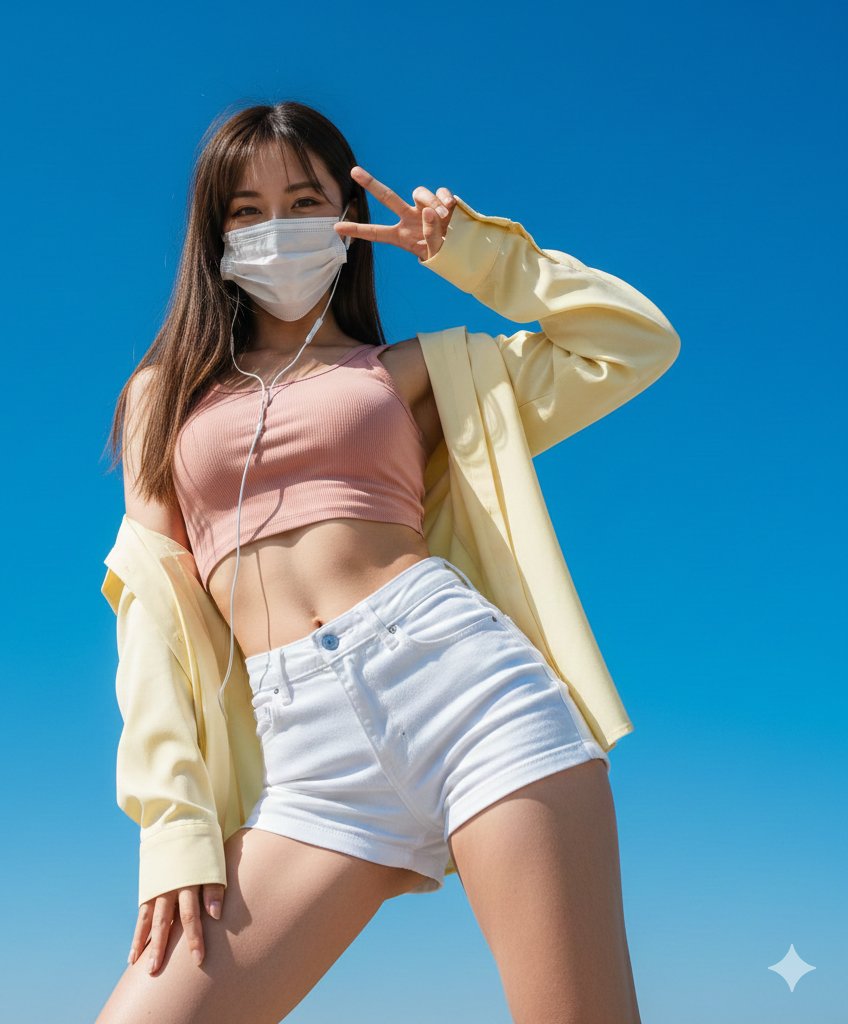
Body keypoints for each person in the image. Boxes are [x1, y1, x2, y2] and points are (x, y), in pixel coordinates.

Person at [95, 99, 679, 1024]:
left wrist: (473, 254)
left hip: (469, 691)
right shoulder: (161, 397)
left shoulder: (415, 371)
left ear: (345, 221)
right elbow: (152, 614)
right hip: (304, 759)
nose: (275, 227)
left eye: (303, 201)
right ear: (213, 234)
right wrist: (174, 828)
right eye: (246, 211)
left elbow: (634, 340)